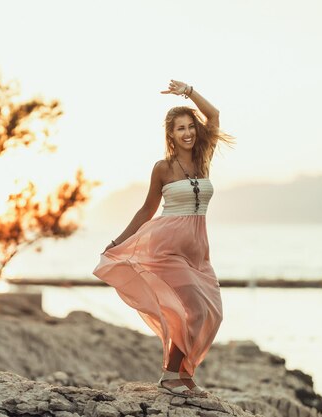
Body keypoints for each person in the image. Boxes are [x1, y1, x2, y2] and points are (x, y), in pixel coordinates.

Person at [92, 80, 235, 398]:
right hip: (167, 247)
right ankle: (171, 376)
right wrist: (118, 242)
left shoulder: (203, 159)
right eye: (180, 128)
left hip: (198, 251)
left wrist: (189, 91)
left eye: (190, 127)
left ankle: (182, 375)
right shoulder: (163, 169)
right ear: (170, 135)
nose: (187, 133)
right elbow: (146, 210)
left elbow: (214, 116)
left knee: (213, 311)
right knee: (194, 309)